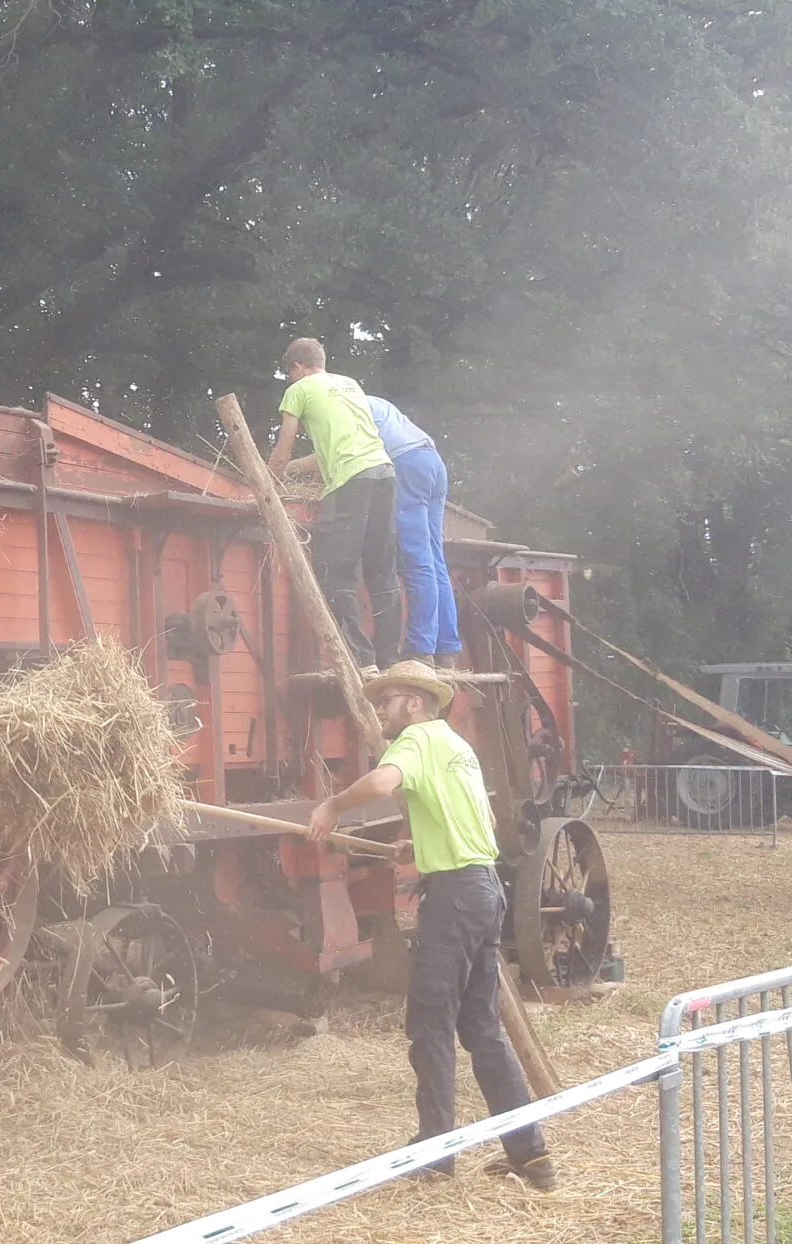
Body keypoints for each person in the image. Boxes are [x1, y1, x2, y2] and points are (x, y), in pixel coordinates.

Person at [306, 661, 553, 1187]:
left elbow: (380, 781)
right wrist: (422, 844)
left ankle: (435, 1154)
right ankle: (530, 1155)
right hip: (485, 890)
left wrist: (333, 803)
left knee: (430, 1023)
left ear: (414, 702)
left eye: (386, 699)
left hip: (455, 900)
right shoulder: (459, 747)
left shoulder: (415, 741)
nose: (379, 709)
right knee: (481, 1029)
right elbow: (479, 824)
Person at [267, 338, 399, 672]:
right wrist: (293, 469)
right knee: (381, 571)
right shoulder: (349, 385)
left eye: (289, 372)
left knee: (335, 570)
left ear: (297, 366)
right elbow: (330, 449)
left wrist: (269, 477)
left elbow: (286, 440)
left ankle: (361, 659)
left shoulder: (299, 390)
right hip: (384, 474)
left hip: (349, 483)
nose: (290, 378)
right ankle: (389, 659)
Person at [365, 395, 462, 667]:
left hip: (406, 463)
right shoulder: (373, 401)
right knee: (434, 560)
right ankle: (448, 648)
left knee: (416, 560)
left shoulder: (341, 408)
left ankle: (420, 649)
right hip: (432, 461)